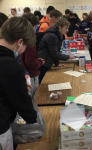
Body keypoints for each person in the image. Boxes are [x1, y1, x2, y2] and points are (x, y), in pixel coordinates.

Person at [0, 17, 37, 150]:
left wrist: (15, 85)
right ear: (20, 42)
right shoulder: (11, 66)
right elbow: (22, 103)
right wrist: (34, 119)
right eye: (25, 46)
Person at [38, 18, 75, 84]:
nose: (67, 30)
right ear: (60, 27)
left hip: (46, 61)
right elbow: (54, 53)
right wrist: (68, 57)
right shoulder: (53, 36)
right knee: (42, 84)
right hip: (43, 63)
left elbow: (56, 49)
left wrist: (57, 63)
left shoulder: (57, 34)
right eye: (66, 28)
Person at [19, 13, 45, 98]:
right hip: (31, 75)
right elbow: (30, 61)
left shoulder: (18, 37)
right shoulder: (29, 39)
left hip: (23, 72)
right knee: (33, 98)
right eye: (34, 26)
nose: (34, 28)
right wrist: (40, 62)